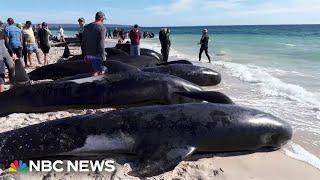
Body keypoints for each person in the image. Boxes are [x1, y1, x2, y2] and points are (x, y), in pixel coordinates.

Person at [82, 11, 108, 76]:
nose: (103, 21)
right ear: (102, 19)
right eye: (103, 19)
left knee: (95, 70)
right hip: (96, 55)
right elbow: (101, 43)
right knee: (101, 70)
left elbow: (83, 42)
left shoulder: (86, 27)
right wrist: (103, 55)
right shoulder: (102, 28)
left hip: (88, 54)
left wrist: (84, 54)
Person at [0, 20, 15, 90]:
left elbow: (7, 43)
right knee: (1, 73)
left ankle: (12, 84)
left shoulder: (3, 32)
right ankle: (2, 91)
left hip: (6, 53)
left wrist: (12, 53)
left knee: (11, 68)